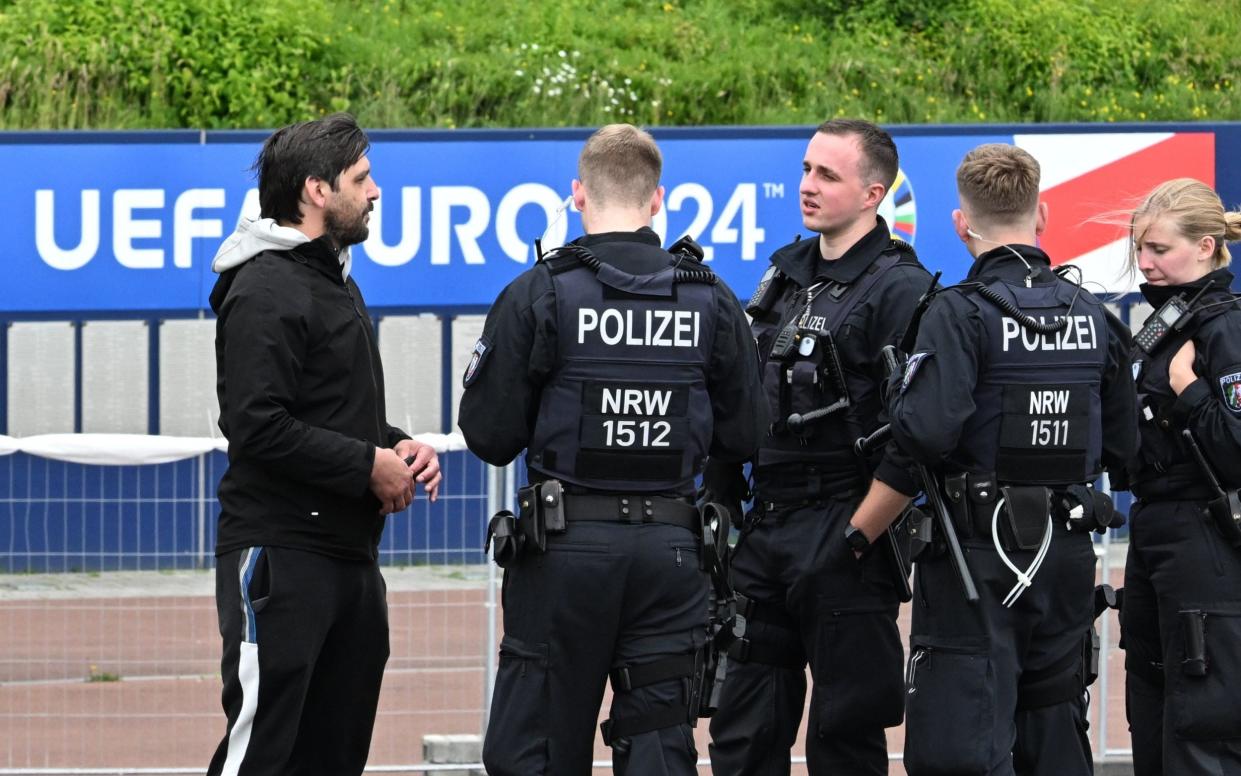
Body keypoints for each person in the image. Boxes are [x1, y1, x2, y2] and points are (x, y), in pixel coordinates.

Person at [459, 123, 765, 776]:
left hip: (564, 550)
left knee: (535, 751)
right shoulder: (708, 297)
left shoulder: (539, 291)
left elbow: (488, 435)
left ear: (577, 195)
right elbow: (744, 437)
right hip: (672, 556)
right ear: (657, 199)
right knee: (657, 748)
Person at [888, 143, 1137, 776]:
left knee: (959, 747)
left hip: (978, 559)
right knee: (1054, 732)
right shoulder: (1092, 313)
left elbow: (926, 433)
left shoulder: (957, 313)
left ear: (960, 223)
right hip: (1065, 554)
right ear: (1042, 215)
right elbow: (1123, 446)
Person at [205, 112, 441, 776]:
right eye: (361, 178)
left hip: (348, 558)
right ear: (316, 189)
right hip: (282, 555)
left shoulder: (334, 280)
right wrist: (367, 464)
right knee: (264, 755)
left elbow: (331, 413)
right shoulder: (262, 287)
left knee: (332, 757)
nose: (374, 191)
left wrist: (397, 446)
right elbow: (255, 425)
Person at [706, 118, 933, 776]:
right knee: (741, 735)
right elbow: (739, 396)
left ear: (871, 194)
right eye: (806, 169)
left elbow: (919, 434)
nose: (806, 186)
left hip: (844, 532)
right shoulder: (784, 274)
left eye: (826, 175)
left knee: (845, 740)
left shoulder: (901, 289)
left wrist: (857, 537)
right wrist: (721, 513)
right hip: (766, 529)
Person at [1119, 178, 1241, 775]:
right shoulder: (1164, 324)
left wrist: (1190, 392)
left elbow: (1238, 449)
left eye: (1159, 250)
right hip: (1156, 531)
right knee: (1153, 710)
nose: (1145, 263)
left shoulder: (1226, 326)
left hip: (1207, 538)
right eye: (1140, 248)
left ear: (1206, 246)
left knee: (1204, 719)